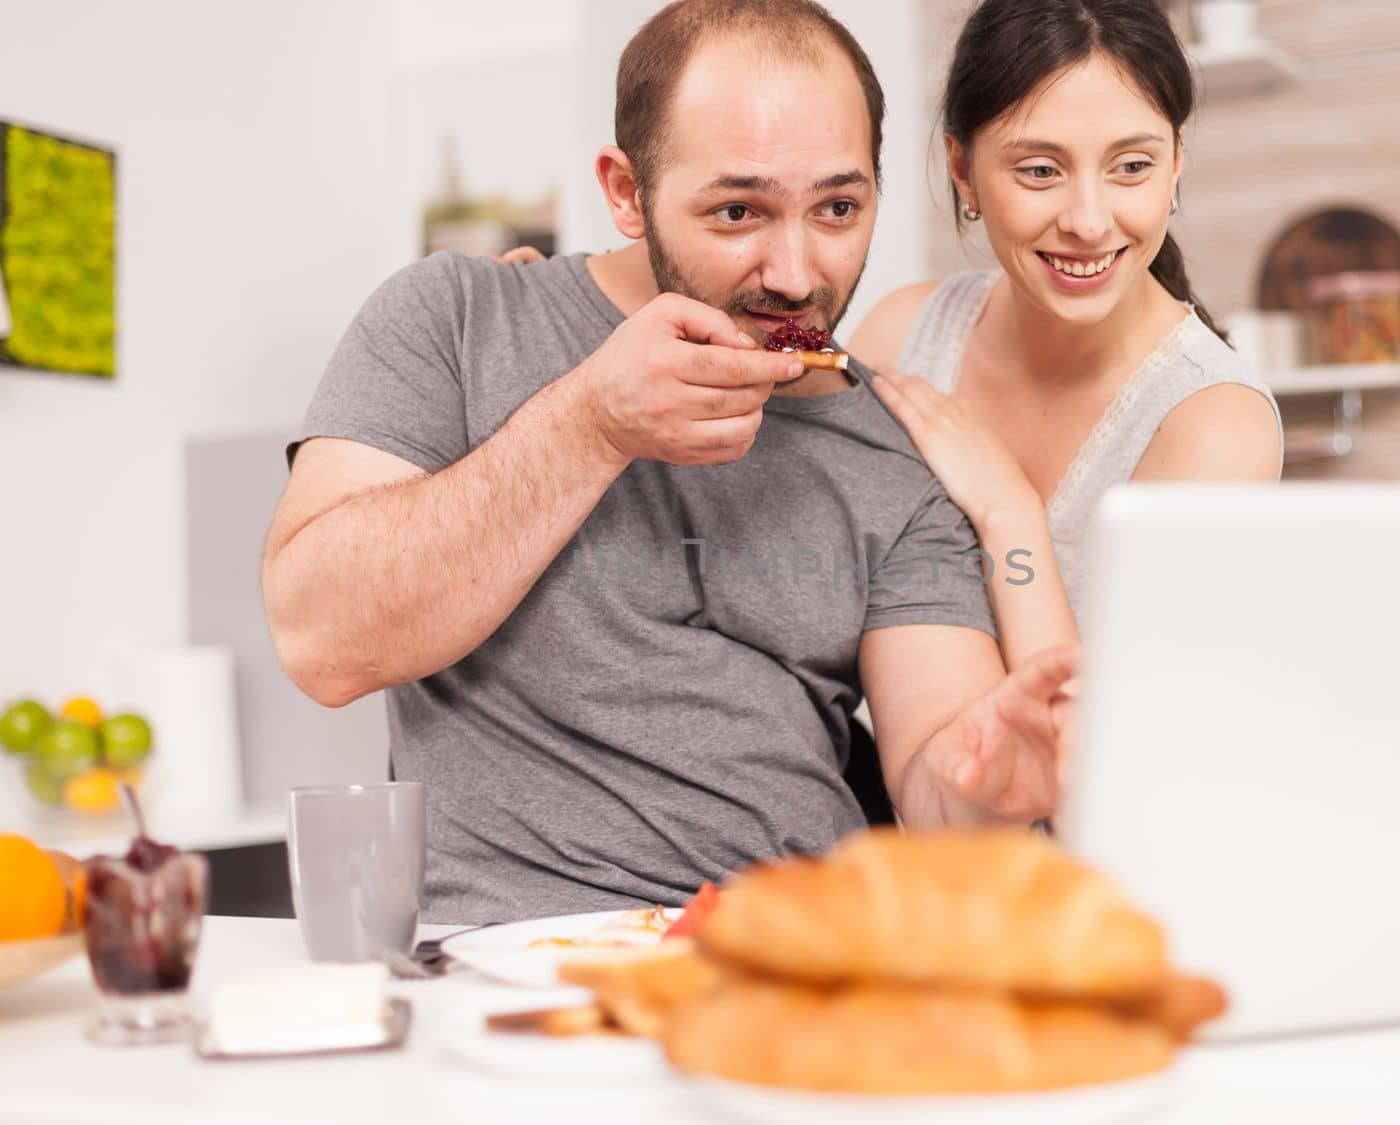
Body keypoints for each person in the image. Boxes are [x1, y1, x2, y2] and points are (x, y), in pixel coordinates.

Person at [262, 0, 1075, 925]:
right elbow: (319, 640)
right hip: (502, 967)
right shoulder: (455, 320)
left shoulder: (896, 449)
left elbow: (942, 794)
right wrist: (593, 424)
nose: (796, 271)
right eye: (739, 210)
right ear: (624, 190)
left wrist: (990, 783)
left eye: (839, 208)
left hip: (782, 964)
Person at [851, 0, 1283, 666]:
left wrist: (1008, 511)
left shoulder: (1214, 425)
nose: (1088, 220)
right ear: (963, 170)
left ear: (1176, 165)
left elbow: (1106, 736)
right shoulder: (901, 337)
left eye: (1131, 167)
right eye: (1041, 171)